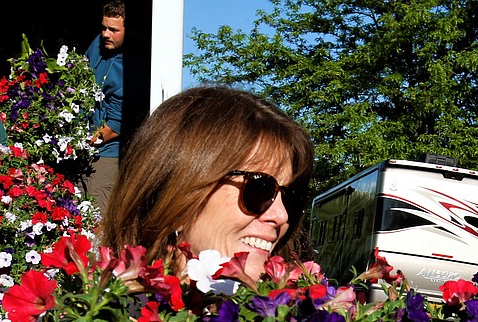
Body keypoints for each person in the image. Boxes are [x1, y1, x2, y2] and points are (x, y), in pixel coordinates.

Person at [103, 86, 314, 277]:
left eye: (289, 197)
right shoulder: (109, 315)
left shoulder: (298, 317)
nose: (281, 215)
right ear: (178, 193)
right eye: (260, 188)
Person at [83, 1, 126, 214]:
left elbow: (115, 126)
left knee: (96, 217)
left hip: (107, 154)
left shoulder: (126, 69)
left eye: (114, 30)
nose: (106, 34)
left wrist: (81, 143)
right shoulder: (98, 45)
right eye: (103, 27)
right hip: (85, 149)